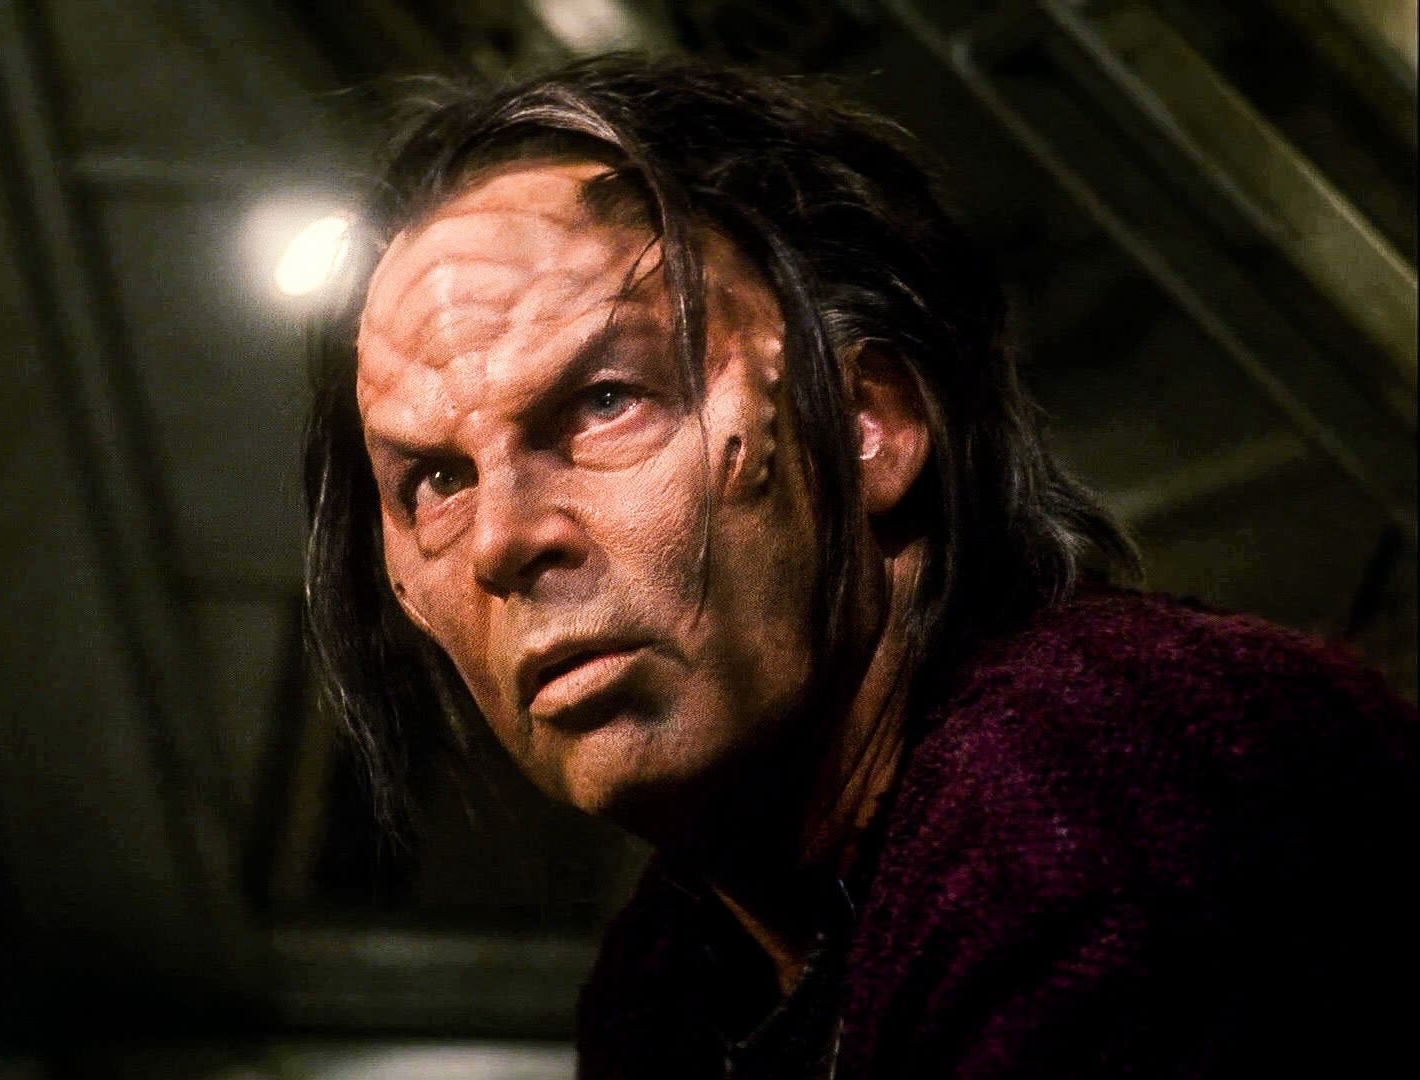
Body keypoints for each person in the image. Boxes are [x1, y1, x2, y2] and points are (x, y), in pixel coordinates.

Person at [301, 57, 1417, 1077]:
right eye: (434, 481)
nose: (503, 541)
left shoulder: (1106, 778)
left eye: (604, 402)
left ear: (869, 423)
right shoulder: (674, 978)